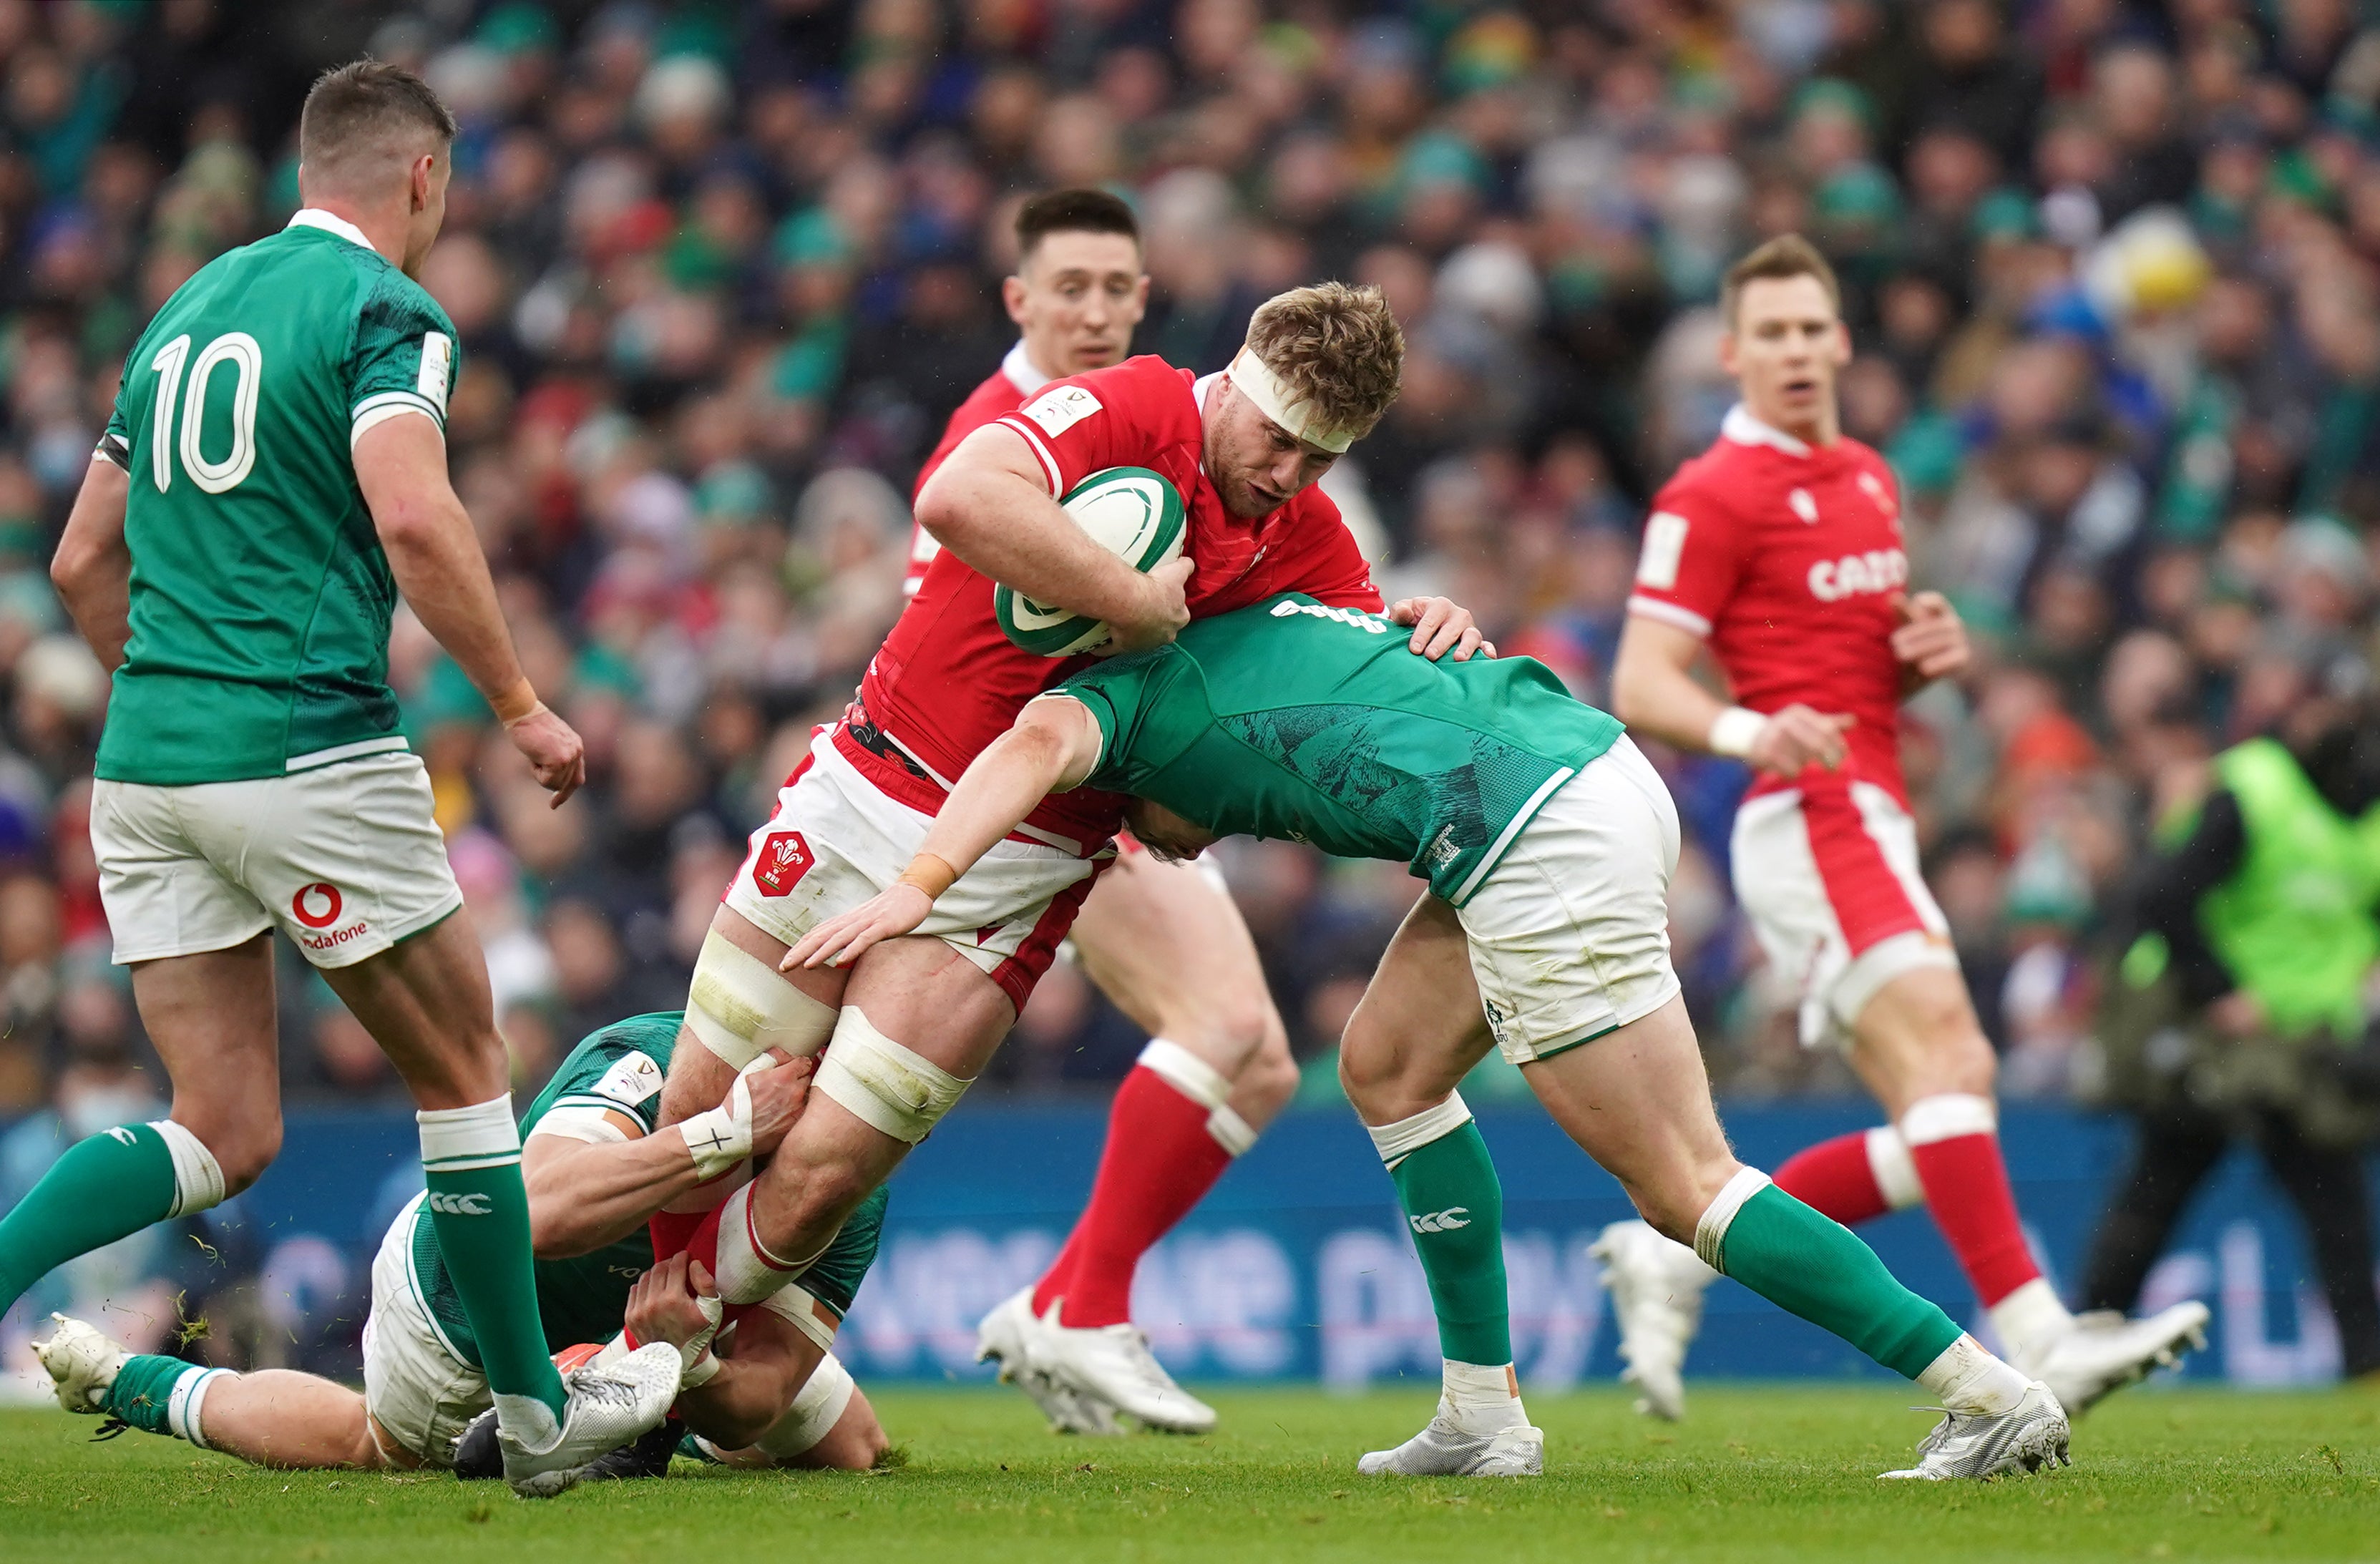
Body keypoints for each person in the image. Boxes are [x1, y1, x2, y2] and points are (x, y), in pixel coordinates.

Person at [785, 591, 2072, 1482]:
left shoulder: (1107, 705)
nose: (1144, 845)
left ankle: (1984, 1392)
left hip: (1535, 834)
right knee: (1387, 1066)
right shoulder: (1260, 622)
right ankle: (1480, 1410)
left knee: (1683, 1183)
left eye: (1126, 827)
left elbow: (1031, 742)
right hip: (1574, 774)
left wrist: (921, 880)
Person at [9, 60, 680, 1495]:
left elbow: (79, 560)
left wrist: (176, 692)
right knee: (462, 1073)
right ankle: (533, 1414)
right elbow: (412, 511)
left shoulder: (185, 307)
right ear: (424, 179)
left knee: (223, 1124)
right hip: (306, 742)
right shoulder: (389, 311)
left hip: (148, 768)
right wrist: (517, 701)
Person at [648, 285, 1483, 1333]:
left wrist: (1425, 632)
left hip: (1023, 861)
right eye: (1277, 441)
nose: (1287, 477)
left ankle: (640, 1353)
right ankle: (645, 1353)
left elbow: (1322, 707)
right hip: (865, 781)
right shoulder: (1130, 407)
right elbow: (955, 497)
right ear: (1236, 381)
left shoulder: (1308, 539)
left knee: (818, 1177)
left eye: (1322, 460)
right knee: (699, 1112)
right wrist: (1132, 600)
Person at [1601, 235, 2208, 1420]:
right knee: (1955, 1054)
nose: (1789, 350)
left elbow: (1853, 669)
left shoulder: (1870, 478)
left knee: (1934, 1108)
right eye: (1764, 332)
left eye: (1806, 327)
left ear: (1838, 341)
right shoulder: (1711, 492)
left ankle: (1675, 1253)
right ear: (1731, 354)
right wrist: (1747, 734)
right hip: (1807, 814)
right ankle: (2040, 1333)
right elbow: (1640, 679)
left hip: (1870, 804)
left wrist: (1916, 660)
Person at [908, 189, 1307, 1437]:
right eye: (1068, 287)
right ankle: (1081, 1310)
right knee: (1227, 1019)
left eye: (1116, 288)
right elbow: (966, 653)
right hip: (1047, 788)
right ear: (1018, 299)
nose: (1094, 310)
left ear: (1145, 298)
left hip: (1117, 771)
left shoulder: (1156, 419)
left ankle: (1064, 1301)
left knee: (1270, 1066)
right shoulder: (995, 438)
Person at [35, 1011, 890, 1474]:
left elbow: (762, 1392)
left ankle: (640, 1404)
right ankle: (130, 1379)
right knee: (376, 1447)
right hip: (472, 1294)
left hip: (674, 1336)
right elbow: (540, 1214)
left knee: (854, 1447)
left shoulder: (854, 1173)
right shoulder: (646, 1057)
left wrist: (691, 1367)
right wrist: (720, 1134)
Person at [2080, 688, 2380, 1378]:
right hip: (2219, 1038)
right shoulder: (2254, 788)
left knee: (2332, 1205)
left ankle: (2366, 1363)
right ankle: (2085, 1339)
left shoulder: (2361, 814)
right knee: (2163, 1188)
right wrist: (2219, 990)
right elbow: (2164, 895)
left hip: (2305, 1044)